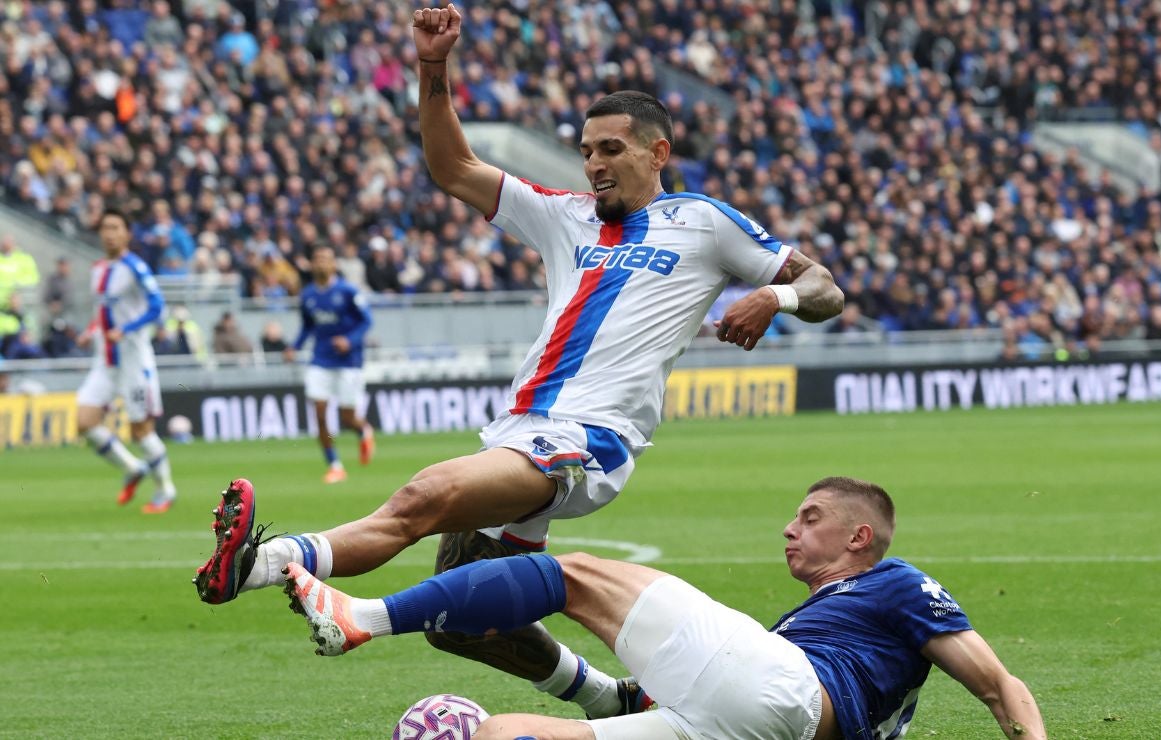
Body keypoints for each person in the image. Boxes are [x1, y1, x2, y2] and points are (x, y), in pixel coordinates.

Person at [193, 2, 844, 722]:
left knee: (424, 496)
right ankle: (608, 697)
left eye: (611, 150)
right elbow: (452, 166)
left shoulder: (705, 223)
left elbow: (826, 287)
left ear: (657, 153)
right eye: (587, 150)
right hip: (521, 428)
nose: (593, 163)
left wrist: (775, 297)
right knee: (463, 616)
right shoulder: (562, 215)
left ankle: (260, 564)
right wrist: (432, 66)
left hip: (588, 438)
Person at [281, 476, 1045, 739]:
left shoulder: (896, 581)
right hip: (738, 722)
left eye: (811, 516)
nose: (790, 525)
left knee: (574, 576)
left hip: (788, 696)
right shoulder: (812, 623)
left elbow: (998, 685)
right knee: (498, 731)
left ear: (860, 536)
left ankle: (365, 615)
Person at [75, 209, 177, 513]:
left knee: (141, 431)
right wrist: (91, 330)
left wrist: (128, 329)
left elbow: (158, 307)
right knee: (84, 422)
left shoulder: (135, 267)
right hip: (105, 361)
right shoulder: (98, 269)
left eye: (115, 227)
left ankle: (165, 489)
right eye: (105, 227)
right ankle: (133, 468)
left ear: (127, 233)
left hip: (134, 361)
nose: (109, 233)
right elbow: (103, 311)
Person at [282, 243, 375, 483]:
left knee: (347, 417)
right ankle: (334, 464)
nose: (322, 262)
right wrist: (295, 346)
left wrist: (349, 340)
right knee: (320, 415)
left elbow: (366, 322)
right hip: (320, 360)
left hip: (348, 362)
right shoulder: (308, 295)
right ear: (312, 264)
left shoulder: (348, 291)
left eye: (326, 258)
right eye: (317, 258)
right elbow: (308, 326)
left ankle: (364, 430)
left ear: (334, 264)